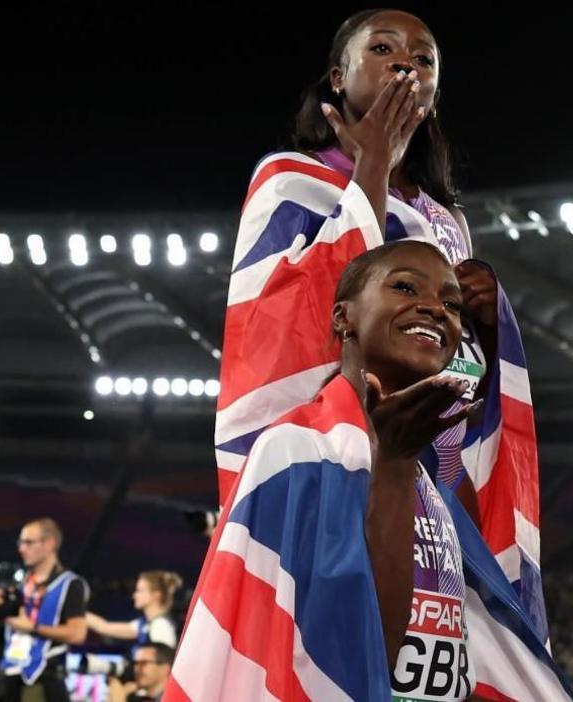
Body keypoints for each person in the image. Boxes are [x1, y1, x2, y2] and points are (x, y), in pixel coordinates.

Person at [214, 8, 546, 632]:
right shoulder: (289, 179)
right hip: (336, 453)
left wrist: (483, 315)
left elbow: (454, 353)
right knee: (342, 635)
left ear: (436, 95)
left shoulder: (446, 218)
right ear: (337, 78)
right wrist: (370, 166)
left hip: (432, 468)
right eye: (385, 50)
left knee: (426, 649)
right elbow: (281, 312)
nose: (406, 65)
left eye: (424, 60)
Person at [174, 241, 571, 701]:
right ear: (343, 317)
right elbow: (350, 661)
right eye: (405, 286)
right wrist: (396, 466)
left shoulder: (432, 483)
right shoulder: (293, 454)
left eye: (451, 304)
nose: (434, 309)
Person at [0, 518, 89, 702]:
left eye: (28, 542)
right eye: (20, 542)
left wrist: (33, 627)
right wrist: (0, 608)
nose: (21, 549)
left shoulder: (71, 584)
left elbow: (77, 633)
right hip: (10, 675)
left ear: (49, 543)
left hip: (44, 680)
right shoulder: (22, 584)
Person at [86, 571, 182, 650]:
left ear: (156, 595)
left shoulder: (161, 626)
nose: (134, 595)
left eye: (140, 591)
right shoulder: (145, 624)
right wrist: (77, 611)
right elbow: (104, 627)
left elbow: (163, 666)